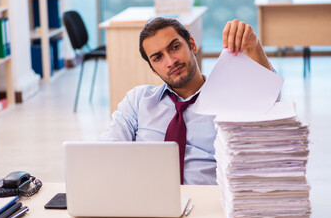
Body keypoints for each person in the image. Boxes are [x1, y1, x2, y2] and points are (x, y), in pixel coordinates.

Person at [99, 17, 274, 185]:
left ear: (192, 45)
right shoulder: (138, 100)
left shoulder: (228, 98)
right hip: (147, 203)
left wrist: (254, 46)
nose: (170, 61)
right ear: (153, 69)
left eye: (175, 47)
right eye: (158, 58)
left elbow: (268, 98)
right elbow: (105, 151)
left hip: (207, 203)